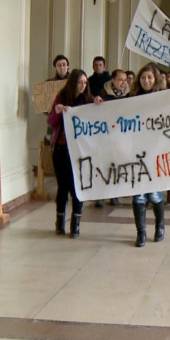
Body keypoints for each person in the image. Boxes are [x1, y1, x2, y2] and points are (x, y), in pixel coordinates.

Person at [47, 69, 95, 238]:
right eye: (80, 82)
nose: (83, 86)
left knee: (77, 188)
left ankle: (75, 223)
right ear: (73, 83)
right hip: (61, 148)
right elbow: (51, 121)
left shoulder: (88, 100)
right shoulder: (62, 97)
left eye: (85, 82)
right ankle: (59, 221)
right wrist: (58, 111)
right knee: (63, 187)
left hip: (80, 151)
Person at [128, 63, 167, 247]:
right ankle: (141, 232)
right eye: (143, 78)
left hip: (156, 152)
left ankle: (160, 225)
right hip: (136, 152)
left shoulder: (163, 98)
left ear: (155, 79)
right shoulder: (132, 98)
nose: (146, 81)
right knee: (138, 195)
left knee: (154, 194)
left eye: (150, 78)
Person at [95, 69, 131, 208]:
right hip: (106, 136)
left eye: (125, 80)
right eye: (121, 79)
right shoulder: (103, 94)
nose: (124, 82)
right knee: (104, 165)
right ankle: (101, 195)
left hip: (122, 136)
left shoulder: (129, 94)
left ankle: (114, 194)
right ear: (113, 81)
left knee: (117, 165)